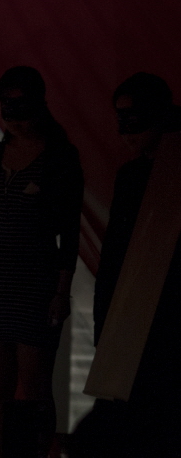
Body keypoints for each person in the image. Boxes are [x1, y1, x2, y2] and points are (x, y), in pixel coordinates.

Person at [0, 66, 82, 458]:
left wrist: (61, 292)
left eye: (20, 107)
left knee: (36, 386)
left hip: (34, 283)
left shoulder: (60, 158)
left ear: (38, 105)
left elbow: (70, 233)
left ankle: (40, 455)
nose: (13, 117)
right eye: (6, 108)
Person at [88, 72, 181, 452]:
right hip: (134, 318)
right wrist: (104, 321)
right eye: (121, 118)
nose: (126, 130)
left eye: (135, 117)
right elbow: (115, 255)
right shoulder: (131, 176)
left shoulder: (165, 173)